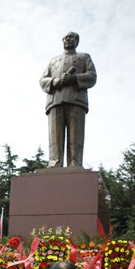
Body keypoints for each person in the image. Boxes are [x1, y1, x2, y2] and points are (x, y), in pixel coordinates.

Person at [40, 32, 97, 168]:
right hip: (55, 100)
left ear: (77, 41)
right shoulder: (53, 61)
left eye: (71, 37)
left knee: (76, 136)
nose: (67, 40)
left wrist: (74, 78)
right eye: (65, 38)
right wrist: (55, 81)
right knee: (55, 137)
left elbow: (92, 76)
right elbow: (42, 80)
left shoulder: (84, 57)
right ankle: (54, 163)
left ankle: (75, 164)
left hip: (76, 100)